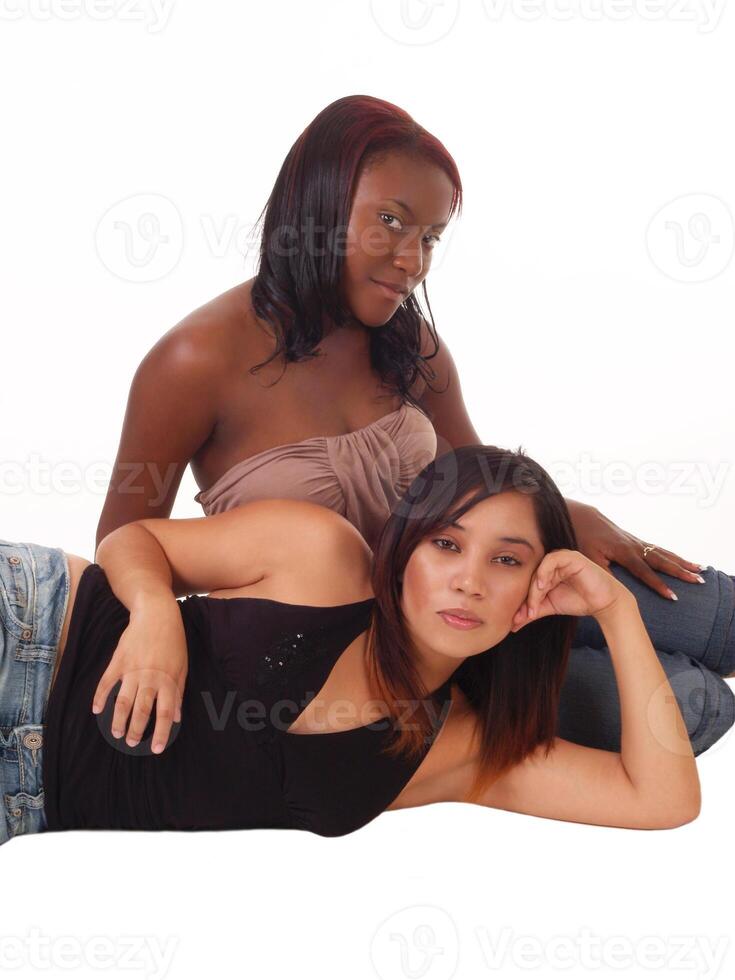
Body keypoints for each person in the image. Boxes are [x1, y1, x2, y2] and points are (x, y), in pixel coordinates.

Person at [94, 94, 735, 756]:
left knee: (720, 616)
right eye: (391, 222)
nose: (413, 261)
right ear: (315, 207)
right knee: (696, 706)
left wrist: (566, 514)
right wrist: (158, 618)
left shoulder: (407, 343)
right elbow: (123, 539)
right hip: (397, 668)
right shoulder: (194, 361)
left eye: (429, 237)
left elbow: (483, 486)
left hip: (494, 590)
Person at [0, 446, 728, 847]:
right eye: (446, 545)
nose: (469, 582)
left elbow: (660, 800)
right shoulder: (320, 555)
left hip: (27, 797)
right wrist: (155, 612)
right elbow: (134, 539)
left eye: (506, 561)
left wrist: (616, 610)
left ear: (531, 591)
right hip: (36, 626)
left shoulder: (464, 752)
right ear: (404, 552)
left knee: (705, 703)